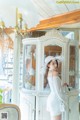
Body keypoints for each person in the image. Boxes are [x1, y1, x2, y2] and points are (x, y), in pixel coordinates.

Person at [44, 56, 68, 120]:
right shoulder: (55, 73)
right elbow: (57, 90)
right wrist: (62, 100)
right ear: (48, 65)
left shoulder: (49, 73)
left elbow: (55, 86)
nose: (55, 65)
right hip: (55, 99)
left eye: (55, 63)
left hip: (52, 98)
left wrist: (62, 85)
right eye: (53, 63)